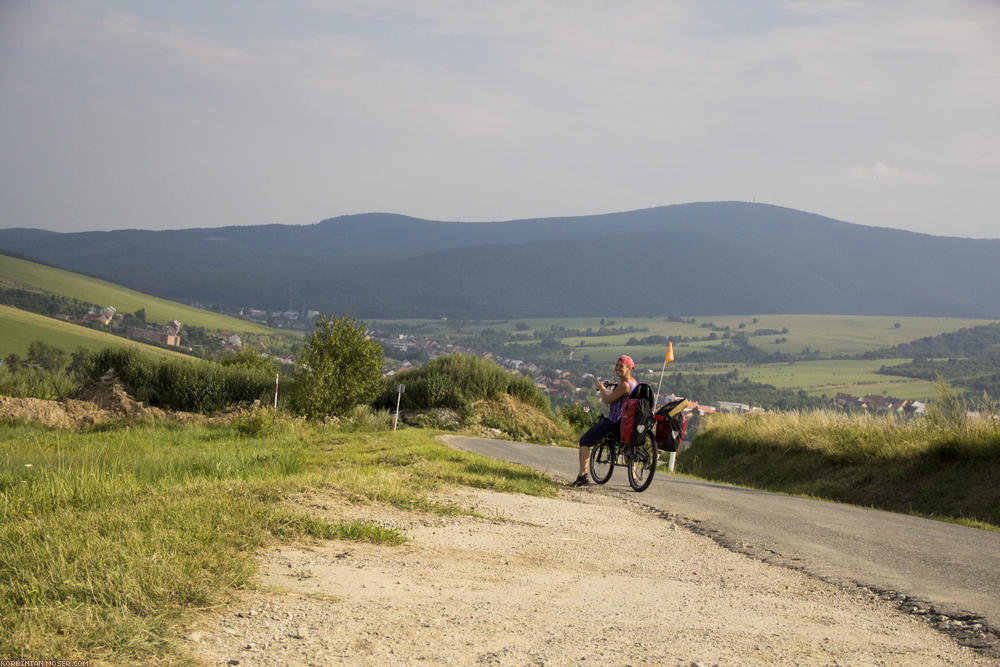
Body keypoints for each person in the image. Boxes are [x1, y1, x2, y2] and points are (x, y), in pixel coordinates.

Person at [572, 355, 638, 486]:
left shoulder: (624, 385)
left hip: (614, 421)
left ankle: (582, 475)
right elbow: (615, 396)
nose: (617, 368)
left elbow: (608, 400)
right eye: (617, 365)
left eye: (621, 366)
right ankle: (634, 477)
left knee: (584, 441)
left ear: (629, 368)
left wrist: (602, 389)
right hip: (627, 423)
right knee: (628, 446)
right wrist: (607, 392)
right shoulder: (634, 383)